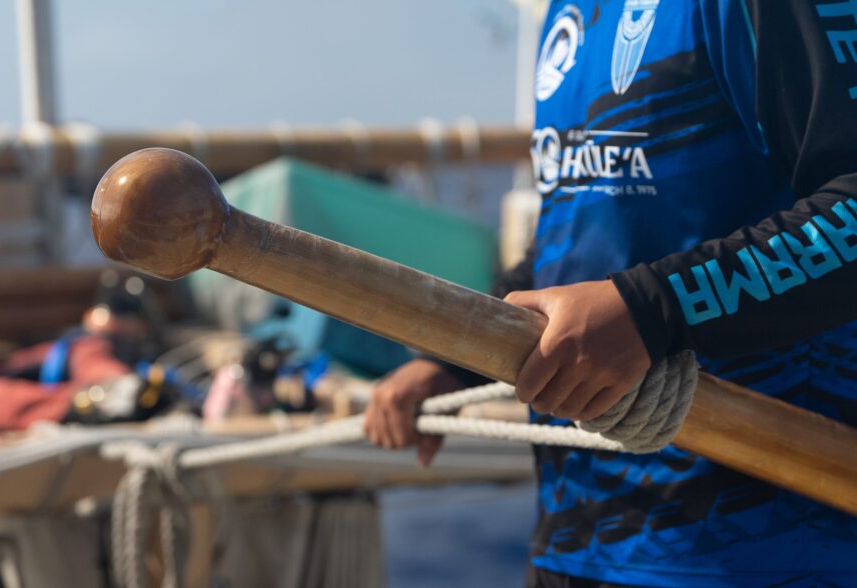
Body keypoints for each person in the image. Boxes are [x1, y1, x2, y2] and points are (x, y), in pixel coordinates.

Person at [365, 1, 857, 586]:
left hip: (768, 551)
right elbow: (571, 233)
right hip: (576, 535)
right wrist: (455, 363)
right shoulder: (568, 12)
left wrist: (652, 310)